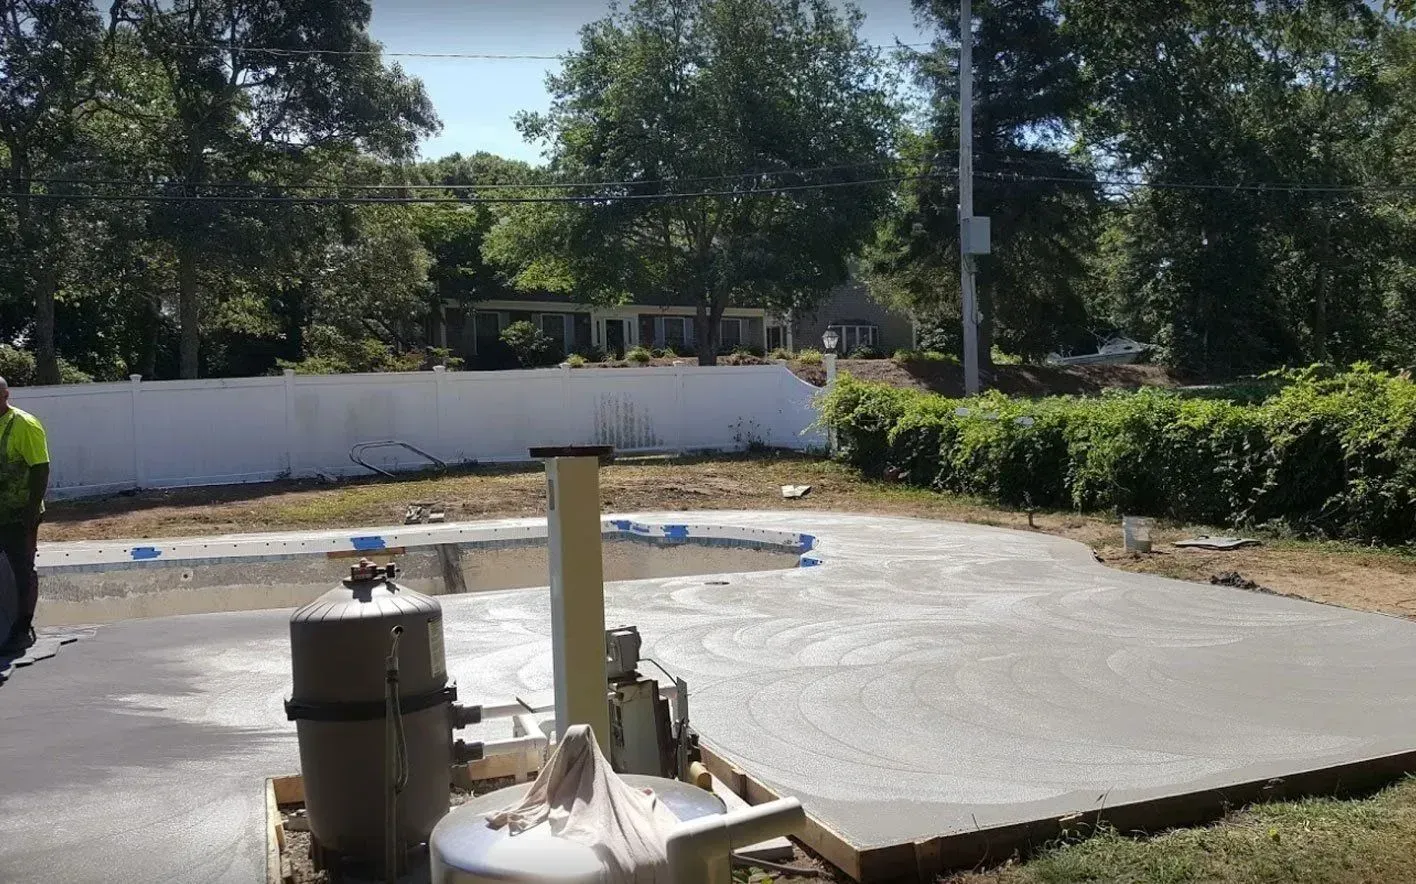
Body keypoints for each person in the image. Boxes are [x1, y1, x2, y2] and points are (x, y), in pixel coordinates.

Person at [0, 377, 48, 653]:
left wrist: (32, 510)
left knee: (22, 570)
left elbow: (41, 468)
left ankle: (22, 628)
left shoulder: (25, 425)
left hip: (20, 513)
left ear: (6, 394)